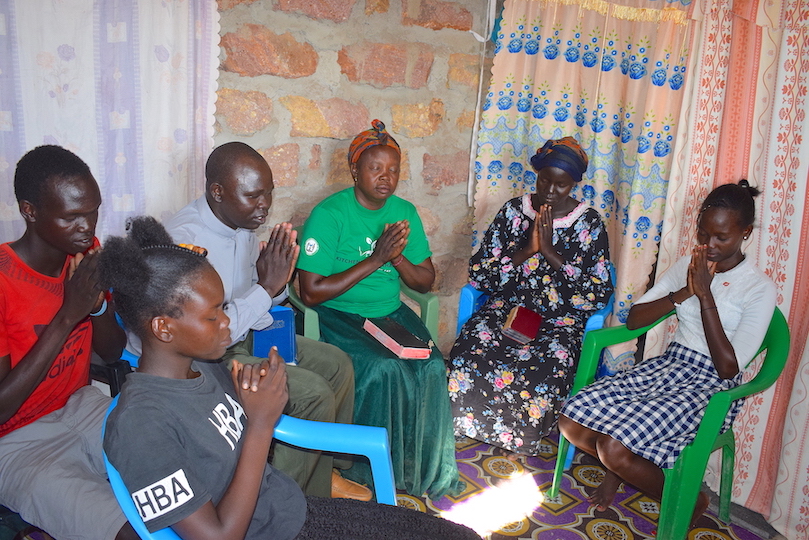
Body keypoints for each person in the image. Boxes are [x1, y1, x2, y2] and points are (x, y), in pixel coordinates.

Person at [100, 216, 481, 540]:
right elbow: (218, 536)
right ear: (164, 328)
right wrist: (260, 424)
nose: (227, 323)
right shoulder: (139, 425)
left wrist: (255, 397)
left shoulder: (202, 369)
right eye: (213, 315)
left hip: (291, 510)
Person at [158, 142, 367, 500]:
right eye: (254, 195)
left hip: (242, 334)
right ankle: (270, 498)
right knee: (313, 393)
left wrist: (276, 280)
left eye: (269, 193)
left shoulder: (240, 223)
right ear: (217, 192)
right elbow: (209, 337)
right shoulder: (185, 242)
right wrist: (267, 287)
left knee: (337, 364)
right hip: (203, 358)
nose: (265, 205)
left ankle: (325, 469)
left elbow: (263, 300)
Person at [558, 180, 776, 524]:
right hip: (670, 366)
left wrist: (706, 297)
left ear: (745, 233)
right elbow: (634, 320)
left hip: (710, 387)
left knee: (613, 446)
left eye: (722, 237)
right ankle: (623, 468)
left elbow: (728, 369)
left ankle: (687, 499)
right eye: (703, 234)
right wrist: (683, 292)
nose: (709, 245)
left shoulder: (759, 288)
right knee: (571, 419)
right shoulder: (689, 266)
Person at [296, 120, 463, 499]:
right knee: (383, 370)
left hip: (389, 313)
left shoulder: (404, 212)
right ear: (355, 170)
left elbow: (425, 282)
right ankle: (366, 475)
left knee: (432, 366)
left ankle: (421, 470)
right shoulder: (330, 214)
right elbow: (310, 293)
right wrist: (377, 258)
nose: (386, 177)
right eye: (375, 168)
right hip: (340, 316)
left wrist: (397, 257)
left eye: (393, 169)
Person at [0, 146, 136, 539]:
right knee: (124, 530)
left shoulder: (84, 254)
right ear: (30, 211)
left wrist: (95, 309)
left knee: (176, 482)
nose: (88, 227)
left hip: (82, 405)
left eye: (93, 211)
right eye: (71, 216)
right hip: (17, 441)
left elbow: (111, 353)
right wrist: (68, 314)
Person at [448, 137, 613, 457]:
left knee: (549, 362)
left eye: (561, 185)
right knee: (472, 348)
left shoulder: (590, 224)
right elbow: (479, 274)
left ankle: (519, 438)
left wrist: (550, 253)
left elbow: (597, 294)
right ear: (536, 175)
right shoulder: (512, 212)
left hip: (561, 316)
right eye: (544, 180)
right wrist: (526, 251)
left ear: (574, 184)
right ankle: (468, 424)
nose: (550, 191)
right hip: (508, 307)